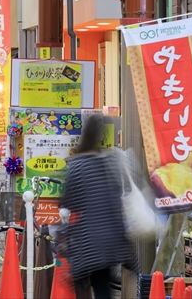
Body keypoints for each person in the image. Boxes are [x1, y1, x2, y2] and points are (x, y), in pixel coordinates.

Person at [59, 113, 137, 299]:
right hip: (111, 238)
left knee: (83, 285)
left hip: (88, 240)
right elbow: (117, 198)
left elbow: (68, 202)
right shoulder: (108, 162)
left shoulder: (77, 166)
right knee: (102, 286)